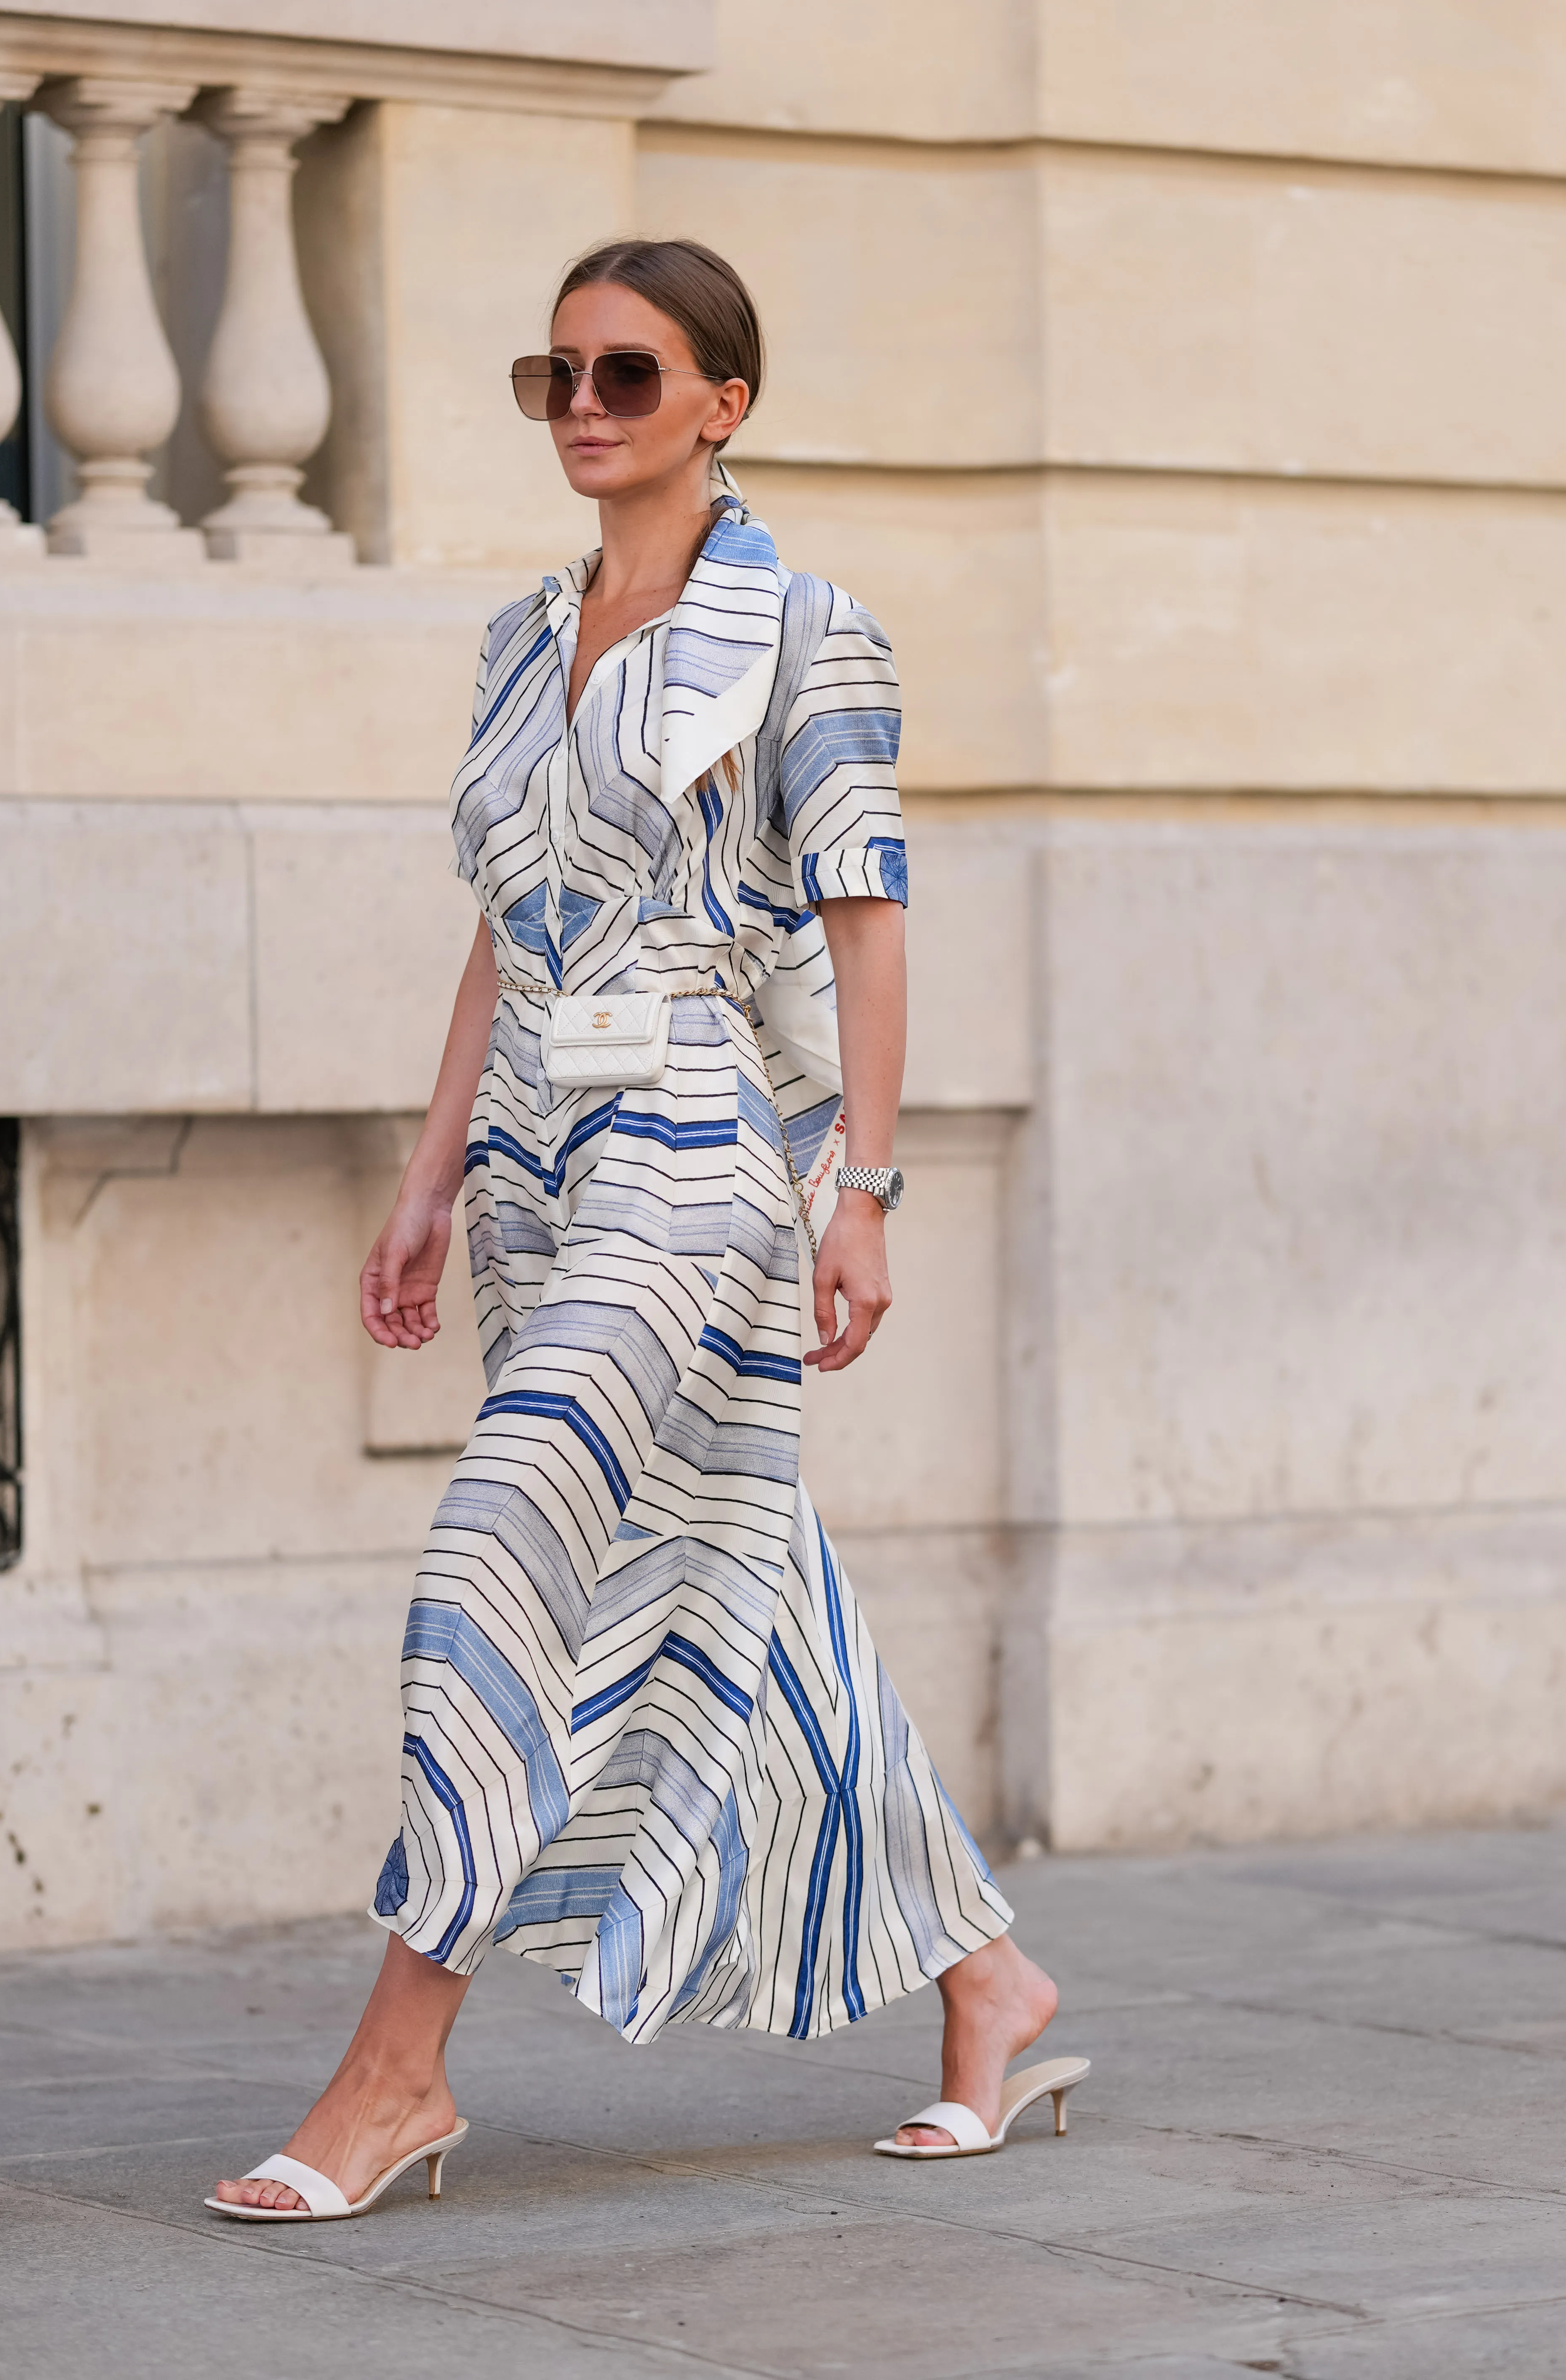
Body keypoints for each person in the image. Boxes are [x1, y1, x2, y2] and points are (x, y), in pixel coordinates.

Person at [208, 240, 1082, 2222]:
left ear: (722, 404)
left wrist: (859, 1186)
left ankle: (396, 2068)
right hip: (535, 1164)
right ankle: (988, 1974)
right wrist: (432, 1176)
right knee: (746, 1577)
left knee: (503, 1547)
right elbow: (500, 934)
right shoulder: (524, 640)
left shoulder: (810, 630)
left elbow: (868, 923)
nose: (584, 406)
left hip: (704, 1149)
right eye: (557, 375)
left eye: (626, 371)